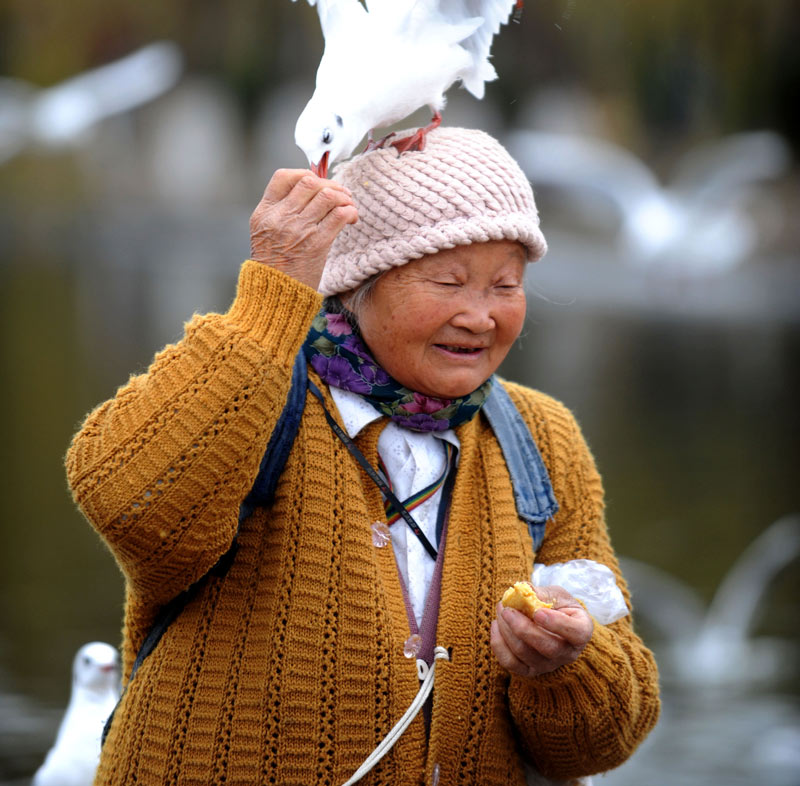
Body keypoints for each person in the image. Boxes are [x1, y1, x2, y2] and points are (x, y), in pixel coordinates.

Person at [66, 126, 660, 786]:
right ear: (359, 282)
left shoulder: (541, 437)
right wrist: (272, 293)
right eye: (448, 281)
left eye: (506, 285)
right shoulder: (250, 383)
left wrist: (568, 666)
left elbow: (604, 743)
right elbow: (130, 504)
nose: (481, 316)